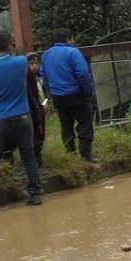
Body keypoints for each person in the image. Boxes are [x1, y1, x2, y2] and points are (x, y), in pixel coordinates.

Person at [0, 32, 43, 212]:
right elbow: (27, 65)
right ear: (9, 46)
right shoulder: (21, 62)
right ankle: (35, 195)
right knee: (29, 157)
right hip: (22, 117)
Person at [40, 28, 96, 162]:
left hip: (58, 97)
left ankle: (70, 154)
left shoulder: (46, 54)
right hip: (76, 94)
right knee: (84, 123)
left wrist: (51, 92)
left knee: (66, 125)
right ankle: (85, 156)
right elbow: (82, 73)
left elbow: (43, 74)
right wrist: (88, 90)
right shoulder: (73, 52)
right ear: (69, 38)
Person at [26, 53, 46, 163]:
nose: (35, 66)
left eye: (36, 63)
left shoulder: (36, 77)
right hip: (32, 112)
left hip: (38, 109)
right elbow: (32, 99)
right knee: (35, 136)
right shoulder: (27, 78)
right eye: (31, 63)